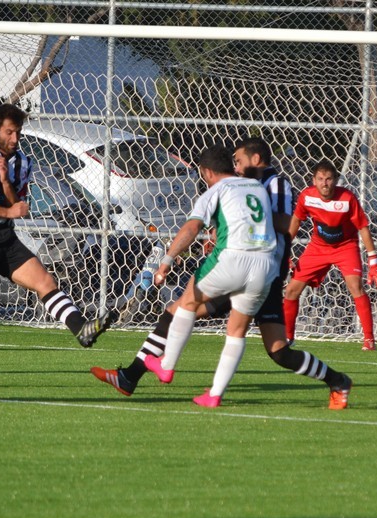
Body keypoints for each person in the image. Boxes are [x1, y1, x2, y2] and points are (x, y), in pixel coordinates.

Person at [92, 137, 354, 409]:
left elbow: (285, 225)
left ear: (255, 159)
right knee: (187, 314)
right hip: (256, 271)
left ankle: (149, 372)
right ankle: (134, 377)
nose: (236, 167)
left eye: (239, 161)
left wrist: (246, 224)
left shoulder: (274, 185)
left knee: (271, 348)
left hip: (263, 272)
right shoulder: (249, 185)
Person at [104, 144, 278, 407]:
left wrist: (166, 261)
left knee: (186, 302)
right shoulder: (257, 187)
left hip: (233, 258)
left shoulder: (216, 190)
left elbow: (191, 227)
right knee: (236, 331)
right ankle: (214, 394)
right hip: (265, 265)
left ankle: (166, 365)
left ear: (206, 172)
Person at [0, 103, 116, 388]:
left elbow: (17, 206)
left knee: (45, 282)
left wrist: (6, 182)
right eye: (9, 132)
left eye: (18, 132)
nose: (14, 138)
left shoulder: (23, 162)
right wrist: (8, 211)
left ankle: (81, 329)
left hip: (5, 239)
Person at [283, 160, 377, 351]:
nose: (325, 183)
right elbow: (296, 220)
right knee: (291, 290)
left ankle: (369, 340)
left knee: (355, 287)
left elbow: (363, 227)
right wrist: (284, 250)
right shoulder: (307, 197)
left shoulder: (347, 198)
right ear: (314, 180)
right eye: (320, 179)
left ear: (336, 180)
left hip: (346, 247)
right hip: (318, 247)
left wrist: (373, 261)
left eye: (329, 179)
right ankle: (288, 338)